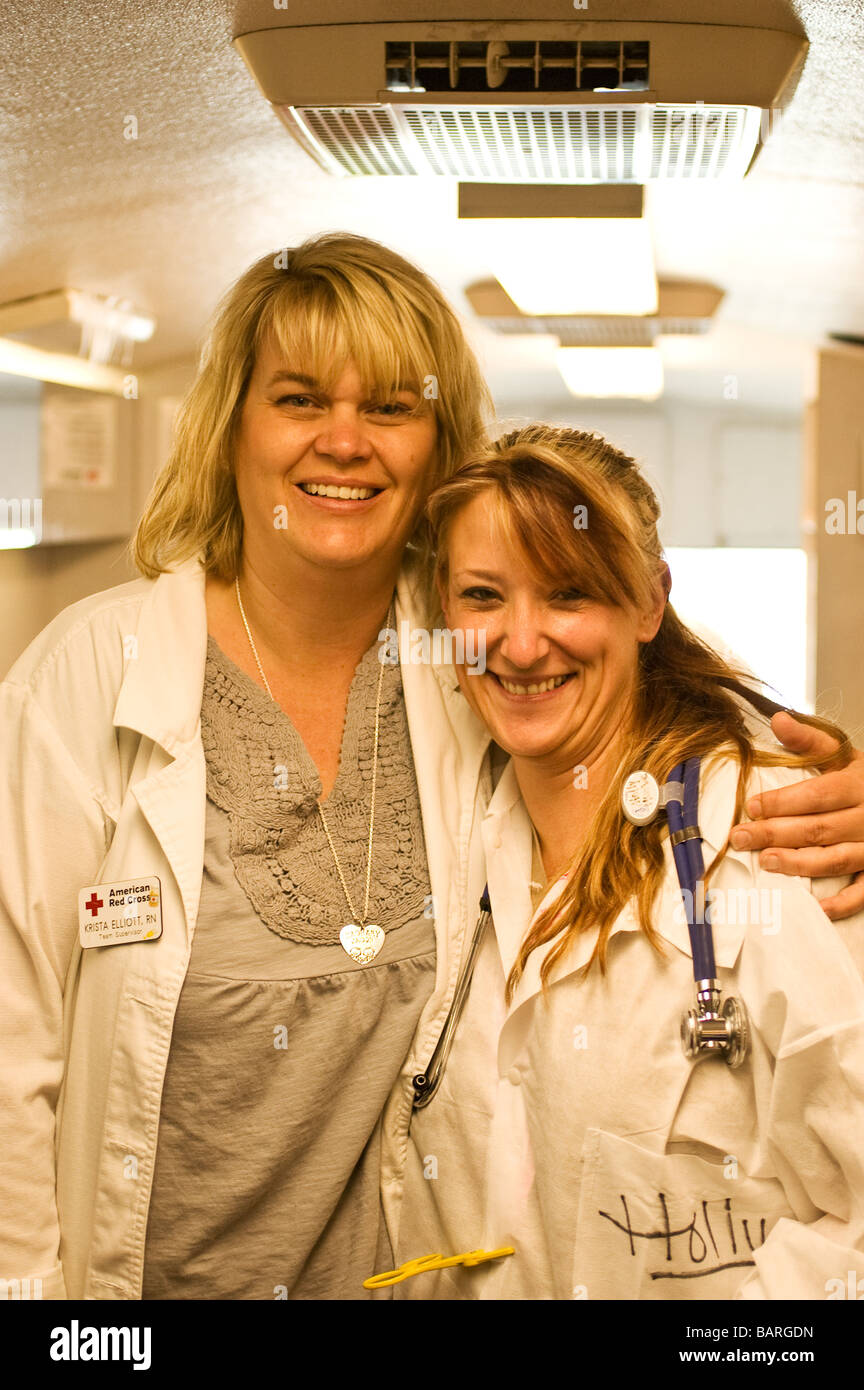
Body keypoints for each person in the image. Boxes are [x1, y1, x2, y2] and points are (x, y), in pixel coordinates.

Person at [0, 237, 862, 1302]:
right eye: (301, 397)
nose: (346, 440)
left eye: (393, 408)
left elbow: (639, 706)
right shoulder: (88, 678)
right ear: (233, 425)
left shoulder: (461, 666)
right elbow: (13, 1048)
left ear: (437, 445)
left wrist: (819, 789)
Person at [386, 424, 864, 1301]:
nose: (522, 645)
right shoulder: (457, 833)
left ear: (649, 603)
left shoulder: (778, 847)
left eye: (569, 594)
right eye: (483, 596)